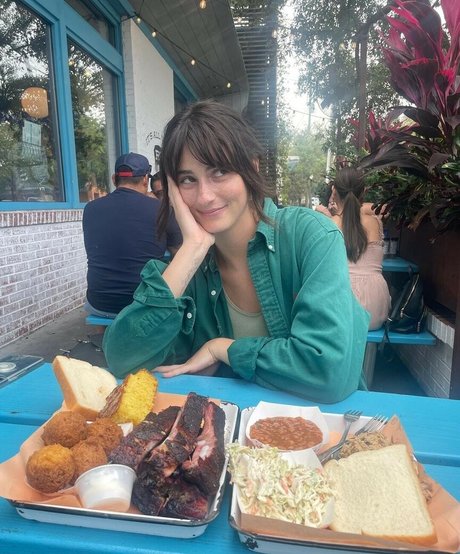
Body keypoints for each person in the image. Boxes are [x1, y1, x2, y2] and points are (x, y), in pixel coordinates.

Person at [103, 102, 369, 403]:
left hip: (322, 426)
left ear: (251, 167)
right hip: (227, 425)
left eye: (219, 171)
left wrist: (224, 349)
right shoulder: (186, 269)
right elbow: (122, 361)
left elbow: (327, 371)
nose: (205, 196)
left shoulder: (311, 236)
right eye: (188, 179)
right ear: (173, 190)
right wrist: (192, 249)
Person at [83, 152, 182, 317]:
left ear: (114, 179)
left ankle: (105, 333)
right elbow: (179, 253)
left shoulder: (90, 209)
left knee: (95, 306)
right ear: (145, 180)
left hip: (100, 303)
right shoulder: (161, 209)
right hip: (144, 304)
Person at [318, 167, 391, 330]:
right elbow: (384, 209)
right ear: (364, 191)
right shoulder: (375, 222)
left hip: (341, 307)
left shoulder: (330, 224)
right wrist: (360, 207)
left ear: (334, 190)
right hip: (376, 309)